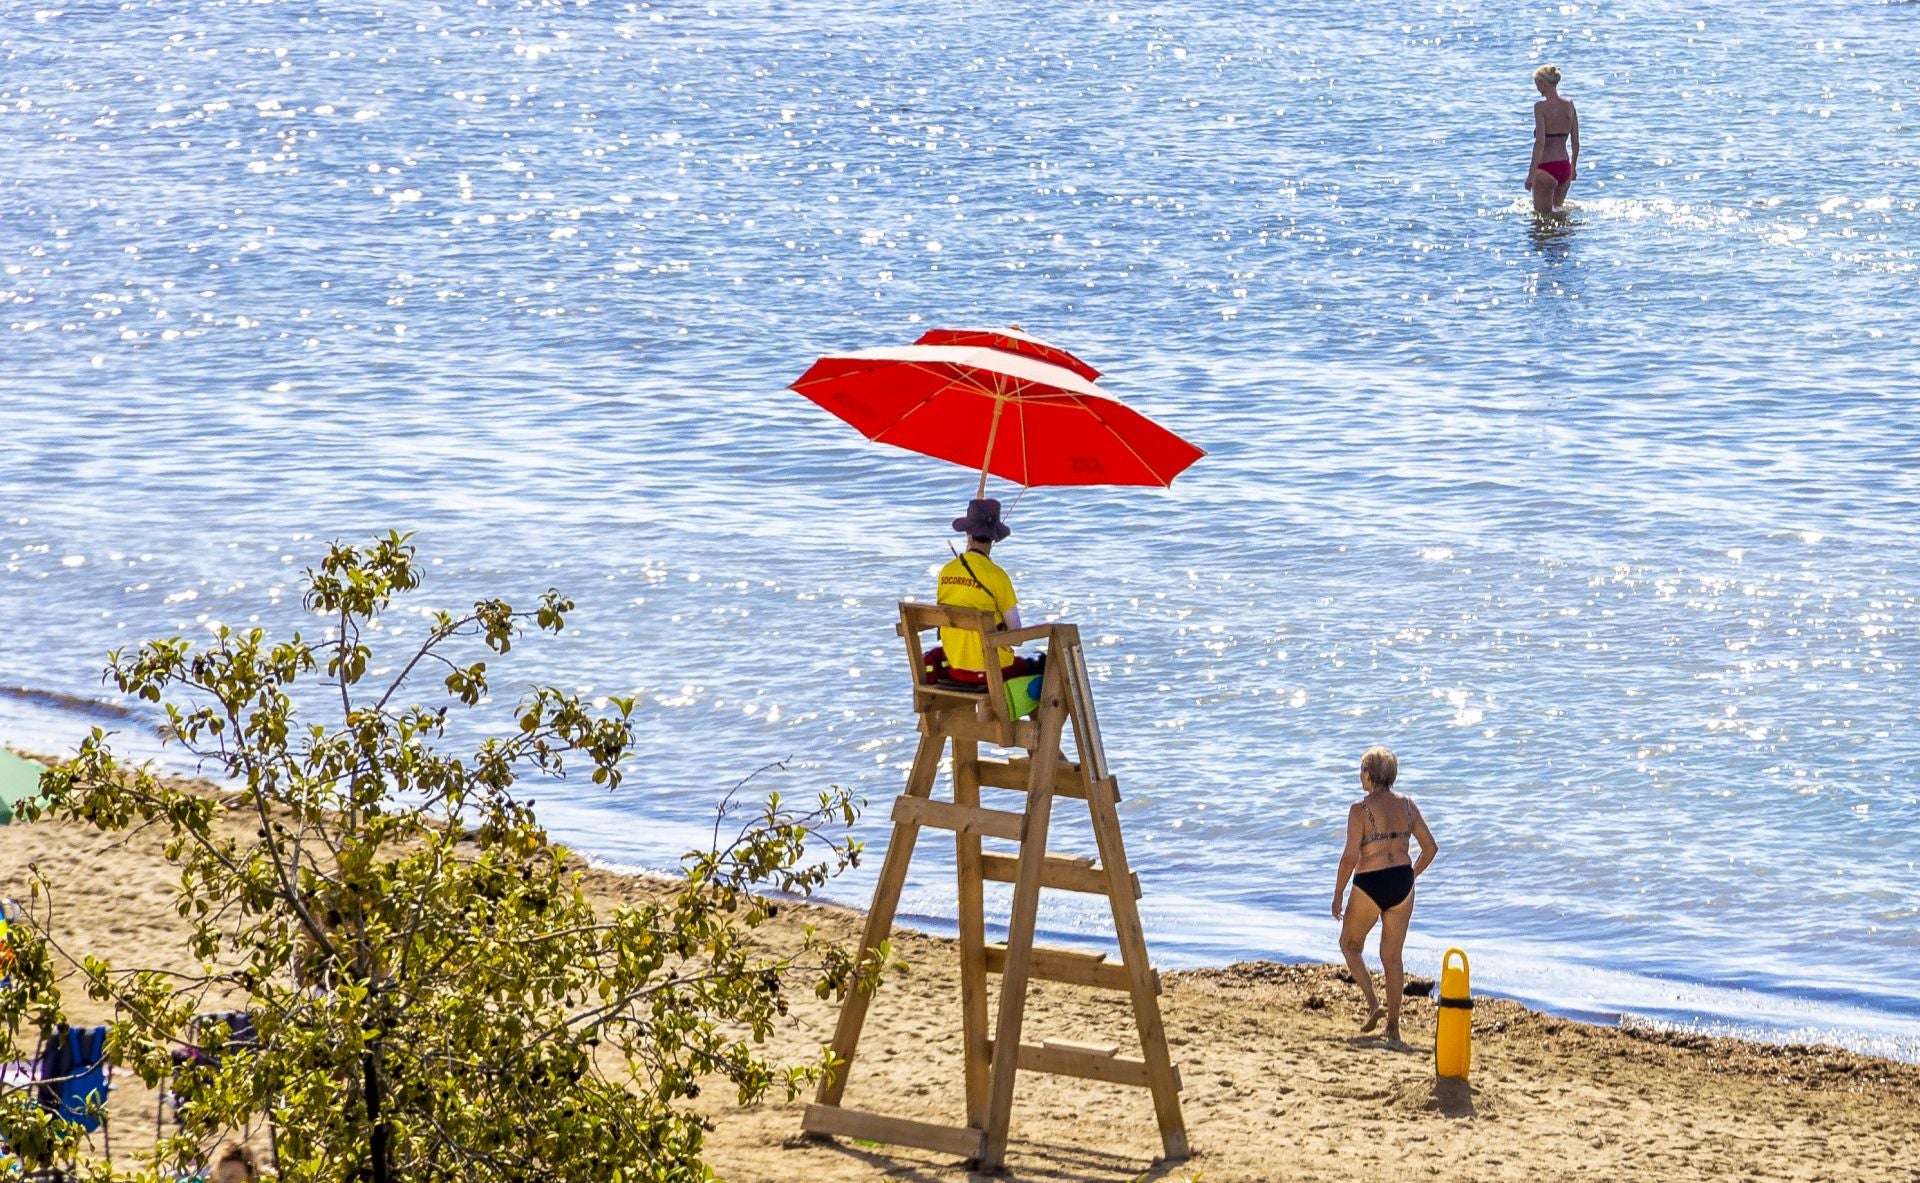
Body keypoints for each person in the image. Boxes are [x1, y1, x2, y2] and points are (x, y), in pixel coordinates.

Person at [1332, 746, 1438, 1045]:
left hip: (1370, 881)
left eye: (1361, 771)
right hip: (1402, 882)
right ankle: (1393, 1027)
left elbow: (1350, 857)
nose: (1359, 776)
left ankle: (1373, 1004)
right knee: (1392, 957)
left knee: (1349, 945)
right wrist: (1411, 875)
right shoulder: (1407, 806)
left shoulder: (1359, 809)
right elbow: (1430, 848)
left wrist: (1338, 893)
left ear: (1368, 774)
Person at [934, 498, 1042, 685]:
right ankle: (1014, 714)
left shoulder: (947, 571)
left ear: (968, 533)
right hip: (992, 671)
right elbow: (1016, 636)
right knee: (1046, 666)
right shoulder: (998, 576)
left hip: (956, 667)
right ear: (994, 536)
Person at [1525, 63, 1579, 215]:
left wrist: (1531, 175)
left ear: (1544, 83)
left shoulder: (1540, 108)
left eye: (1537, 84)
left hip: (1546, 169)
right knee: (1559, 217)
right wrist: (1573, 168)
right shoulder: (1569, 105)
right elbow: (1575, 142)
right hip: (1565, 169)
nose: (1537, 89)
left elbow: (1540, 142)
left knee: (1541, 221)